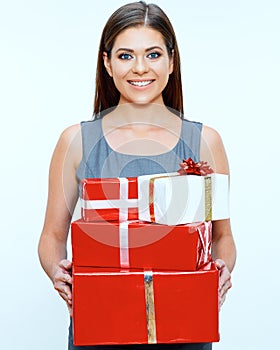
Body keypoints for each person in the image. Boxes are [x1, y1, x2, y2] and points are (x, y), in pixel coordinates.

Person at [38, 1, 236, 350]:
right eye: (126, 55)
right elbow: (53, 235)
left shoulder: (205, 141)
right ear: (107, 63)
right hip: (100, 326)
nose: (140, 68)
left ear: (172, 62)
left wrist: (219, 269)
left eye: (154, 54)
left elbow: (223, 237)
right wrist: (58, 271)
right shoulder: (77, 142)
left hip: (185, 328)